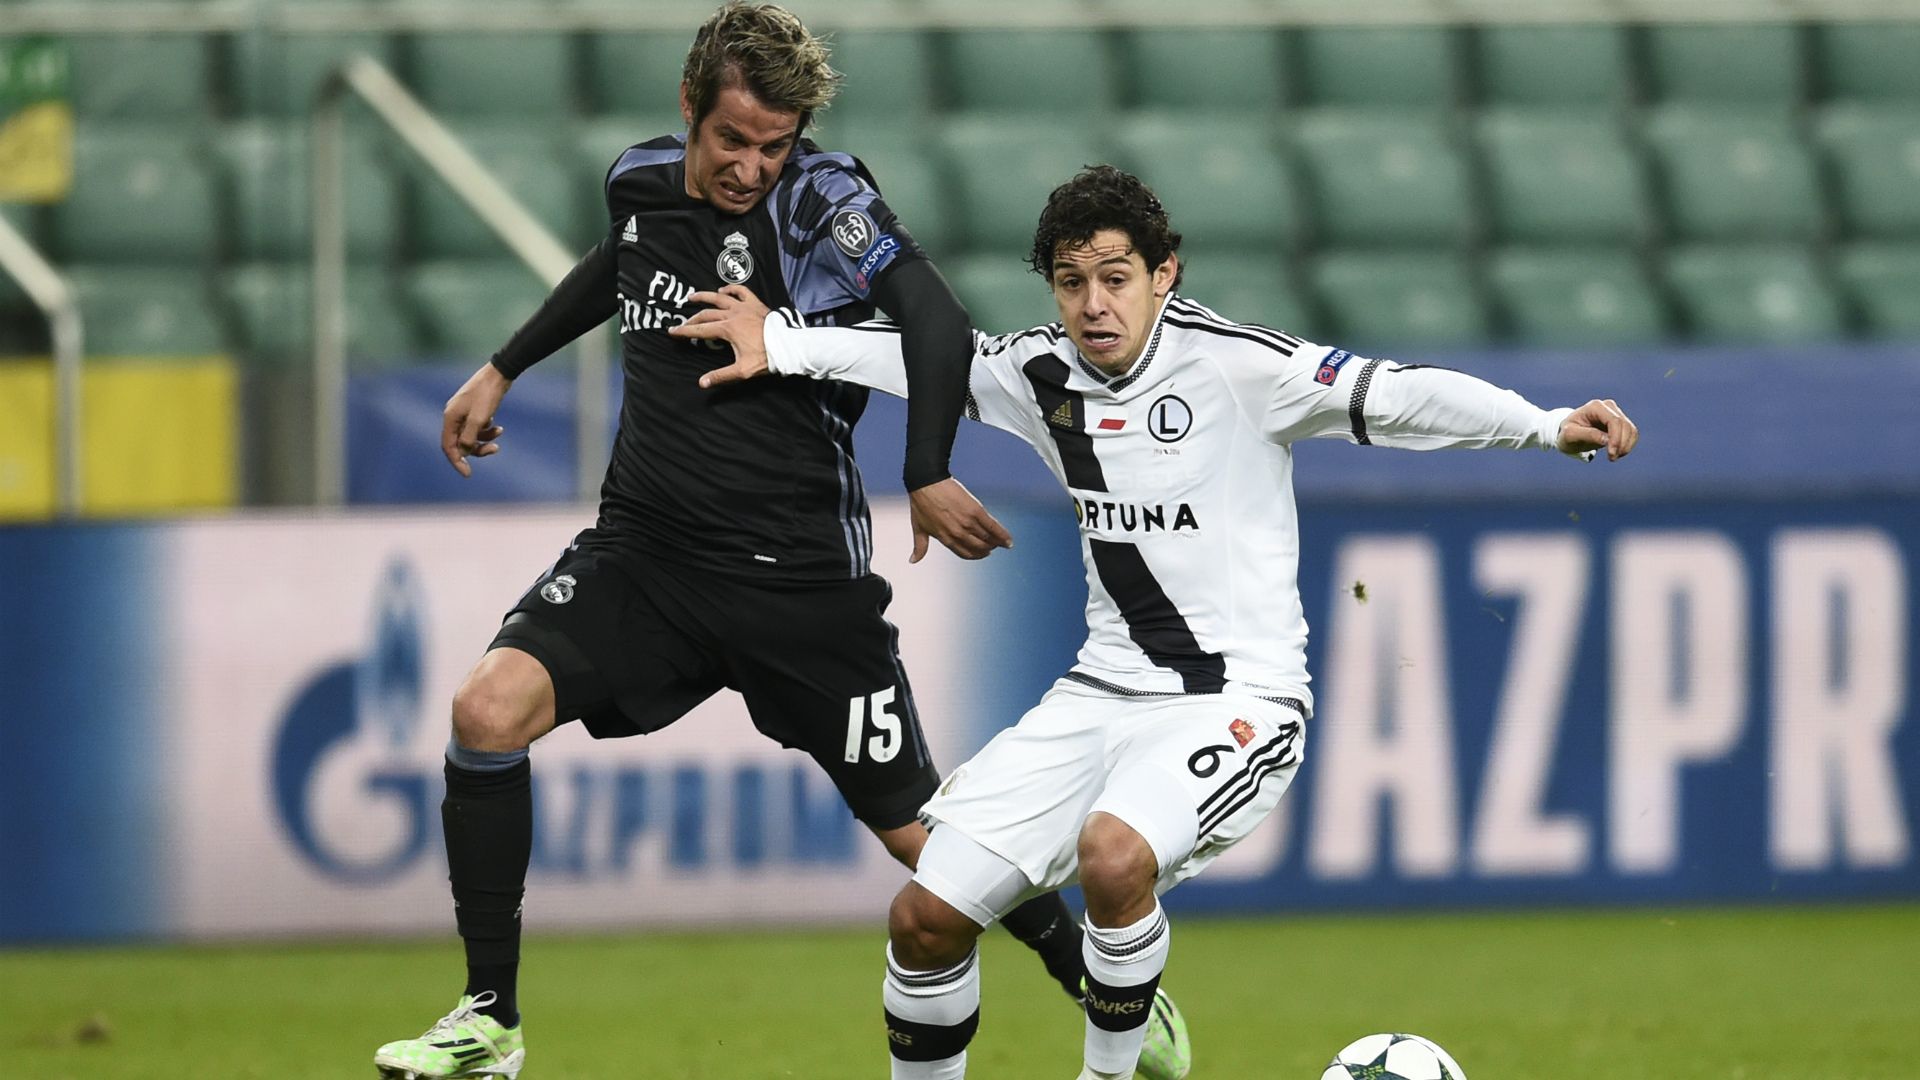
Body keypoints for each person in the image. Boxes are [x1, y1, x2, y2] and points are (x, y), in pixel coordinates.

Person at [670, 163, 1641, 1079]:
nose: (1093, 304)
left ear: (1164, 275)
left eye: (1116, 277)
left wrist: (1541, 422)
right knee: (923, 919)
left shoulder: (1237, 367)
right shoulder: (1041, 373)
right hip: (1103, 693)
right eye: (1070, 281)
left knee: (1113, 855)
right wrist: (786, 341)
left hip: (1241, 698)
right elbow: (926, 356)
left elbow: (1394, 395)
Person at [371, 7, 1191, 1079]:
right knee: (486, 710)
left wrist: (926, 470)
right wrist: (502, 366)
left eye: (775, 144)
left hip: (800, 589)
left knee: (929, 851)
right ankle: (489, 1022)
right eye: (734, 141)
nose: (752, 168)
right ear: (689, 110)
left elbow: (935, 322)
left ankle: (1091, 973)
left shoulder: (823, 205)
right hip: (648, 559)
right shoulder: (641, 183)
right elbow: (618, 261)